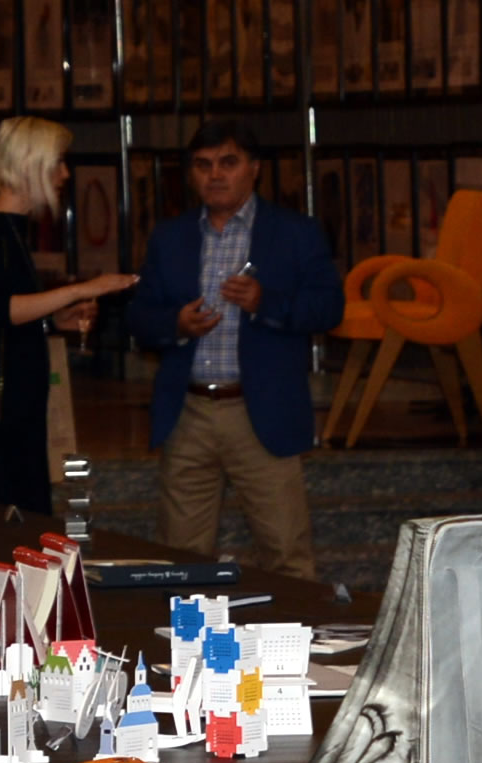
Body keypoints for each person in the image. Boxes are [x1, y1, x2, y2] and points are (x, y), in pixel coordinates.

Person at [126, 117, 344, 581]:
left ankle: (300, 649)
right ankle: (180, 649)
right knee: (179, 559)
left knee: (286, 554)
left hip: (260, 410)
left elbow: (329, 308)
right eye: (203, 165)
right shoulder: (171, 237)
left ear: (254, 169)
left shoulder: (295, 232)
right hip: (190, 412)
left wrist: (267, 302)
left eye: (228, 162)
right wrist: (176, 323)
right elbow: (140, 317)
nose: (215, 175)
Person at [0, 116, 137, 518]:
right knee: (13, 525)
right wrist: (82, 288)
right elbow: (2, 309)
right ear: (29, 164)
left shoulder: (12, 231)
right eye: (57, 163)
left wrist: (56, 320)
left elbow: (3, 316)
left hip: (19, 412)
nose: (65, 175)